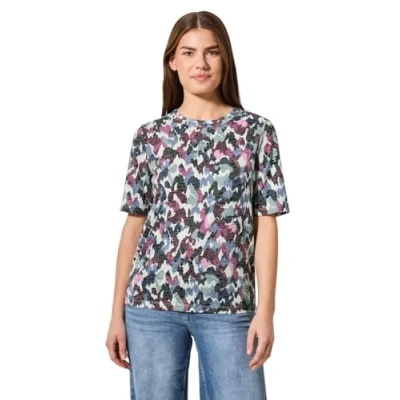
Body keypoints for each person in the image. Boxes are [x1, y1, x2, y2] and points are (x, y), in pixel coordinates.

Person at [106, 10, 290, 400]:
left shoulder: (256, 132)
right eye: (188, 53)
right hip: (151, 305)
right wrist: (115, 314)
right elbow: (134, 225)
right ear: (172, 62)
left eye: (212, 52)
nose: (200, 63)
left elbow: (267, 223)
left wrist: (266, 311)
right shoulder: (150, 137)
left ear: (226, 59)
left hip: (229, 307)